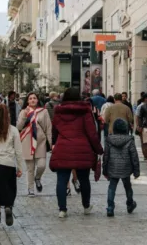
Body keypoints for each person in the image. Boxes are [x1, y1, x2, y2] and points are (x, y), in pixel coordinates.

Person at [50, 87, 103, 218]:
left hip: (63, 148)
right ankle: (86, 206)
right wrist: (98, 149)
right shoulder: (85, 110)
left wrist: (54, 143)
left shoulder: (59, 111)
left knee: (61, 180)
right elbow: (92, 133)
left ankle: (62, 209)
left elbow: (54, 131)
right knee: (84, 179)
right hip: (82, 149)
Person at [17, 92, 52, 197]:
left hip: (40, 143)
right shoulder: (23, 111)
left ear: (37, 100)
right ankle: (31, 189)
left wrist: (51, 143)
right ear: (27, 101)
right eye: (30, 98)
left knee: (42, 165)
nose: (32, 100)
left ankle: (37, 178)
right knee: (30, 168)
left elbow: (48, 128)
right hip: (27, 142)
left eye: (34, 98)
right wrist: (24, 115)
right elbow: (19, 127)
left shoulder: (43, 111)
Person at [103, 119, 139, 217]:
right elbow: (134, 156)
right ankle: (130, 204)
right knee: (128, 187)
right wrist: (136, 171)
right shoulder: (129, 140)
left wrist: (105, 170)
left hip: (113, 167)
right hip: (126, 168)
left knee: (112, 187)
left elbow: (106, 156)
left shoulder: (109, 140)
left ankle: (110, 207)